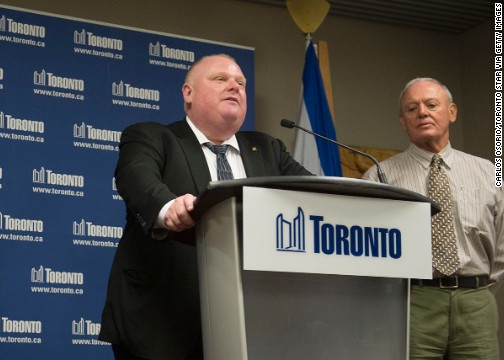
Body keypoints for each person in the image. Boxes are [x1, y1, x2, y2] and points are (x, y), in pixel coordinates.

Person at [99, 54, 312, 360]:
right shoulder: (153, 136)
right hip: (162, 323)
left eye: (240, 82)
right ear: (188, 93)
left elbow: (315, 193)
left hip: (252, 325)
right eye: (220, 79)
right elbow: (137, 178)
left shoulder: (268, 149)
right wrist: (168, 206)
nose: (234, 87)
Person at [363, 78, 503, 359]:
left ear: (451, 112)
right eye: (412, 108)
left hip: (476, 300)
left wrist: (479, 290)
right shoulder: (381, 176)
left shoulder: (487, 171)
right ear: (403, 121)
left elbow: (501, 245)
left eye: (431, 105)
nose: (422, 113)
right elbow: (369, 253)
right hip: (413, 301)